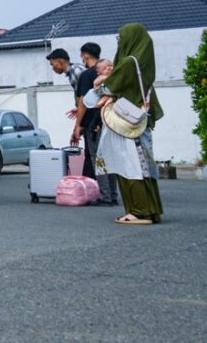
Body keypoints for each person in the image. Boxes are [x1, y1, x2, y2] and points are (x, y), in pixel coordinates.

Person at [93, 23, 164, 225]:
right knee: (145, 168)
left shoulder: (128, 64)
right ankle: (152, 210)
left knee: (130, 166)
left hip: (127, 125)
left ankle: (139, 212)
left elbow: (107, 89)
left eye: (121, 38)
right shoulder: (145, 63)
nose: (119, 42)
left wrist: (99, 83)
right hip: (140, 121)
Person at [70, 42, 119, 206]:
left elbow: (83, 102)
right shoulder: (114, 75)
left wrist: (78, 125)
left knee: (99, 159)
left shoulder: (86, 75)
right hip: (112, 121)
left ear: (85, 55)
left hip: (95, 123)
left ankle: (105, 196)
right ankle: (113, 194)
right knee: (110, 159)